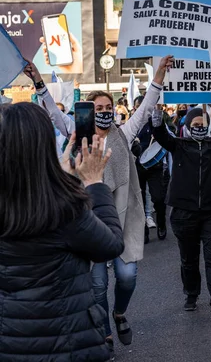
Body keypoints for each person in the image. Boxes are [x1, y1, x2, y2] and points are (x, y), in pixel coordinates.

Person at [26, 56, 173, 356]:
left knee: (127, 277)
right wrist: (39, 82)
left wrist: (158, 77)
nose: (104, 113)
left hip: (120, 219)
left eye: (108, 108)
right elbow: (54, 114)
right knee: (95, 286)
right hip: (87, 220)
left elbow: (145, 110)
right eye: (98, 109)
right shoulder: (77, 133)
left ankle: (119, 313)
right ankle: (105, 332)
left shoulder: (124, 133)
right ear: (88, 112)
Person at [0, 102, 124, 362]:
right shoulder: (62, 207)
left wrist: (62, 179)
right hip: (66, 341)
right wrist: (93, 183)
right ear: (43, 145)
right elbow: (109, 245)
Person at [151, 106, 211, 319]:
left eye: (203, 125)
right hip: (184, 212)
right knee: (189, 258)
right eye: (195, 125)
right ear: (187, 127)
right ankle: (192, 294)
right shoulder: (178, 145)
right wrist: (156, 110)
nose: (199, 129)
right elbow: (158, 132)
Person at [131, 95, 172, 243]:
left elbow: (168, 136)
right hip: (137, 167)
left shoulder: (155, 122)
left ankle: (161, 224)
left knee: (158, 198)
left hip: (155, 166)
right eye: (138, 108)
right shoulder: (131, 125)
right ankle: (144, 231)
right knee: (139, 200)